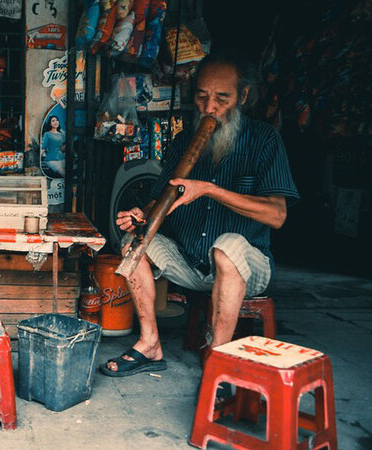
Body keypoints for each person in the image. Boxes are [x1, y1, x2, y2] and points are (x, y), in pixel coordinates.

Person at [100, 51, 299, 377]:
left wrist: (208, 189)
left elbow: (277, 215)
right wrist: (142, 215)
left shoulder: (265, 141)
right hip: (192, 263)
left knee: (228, 245)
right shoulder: (184, 142)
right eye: (203, 97)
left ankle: (218, 363)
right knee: (134, 242)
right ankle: (149, 344)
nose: (210, 108)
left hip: (248, 267)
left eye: (222, 98)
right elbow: (160, 200)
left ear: (243, 97)